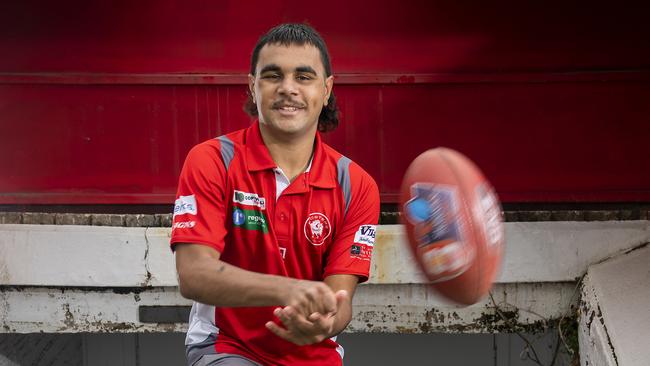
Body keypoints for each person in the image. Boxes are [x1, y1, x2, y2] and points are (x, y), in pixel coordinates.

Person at [171, 23, 380, 366]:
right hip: (227, 346)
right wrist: (288, 289)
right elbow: (193, 275)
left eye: (303, 76)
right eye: (272, 76)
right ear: (252, 86)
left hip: (315, 356)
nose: (287, 88)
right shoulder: (213, 160)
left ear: (326, 89)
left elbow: (340, 300)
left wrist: (326, 321)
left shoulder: (355, 184)